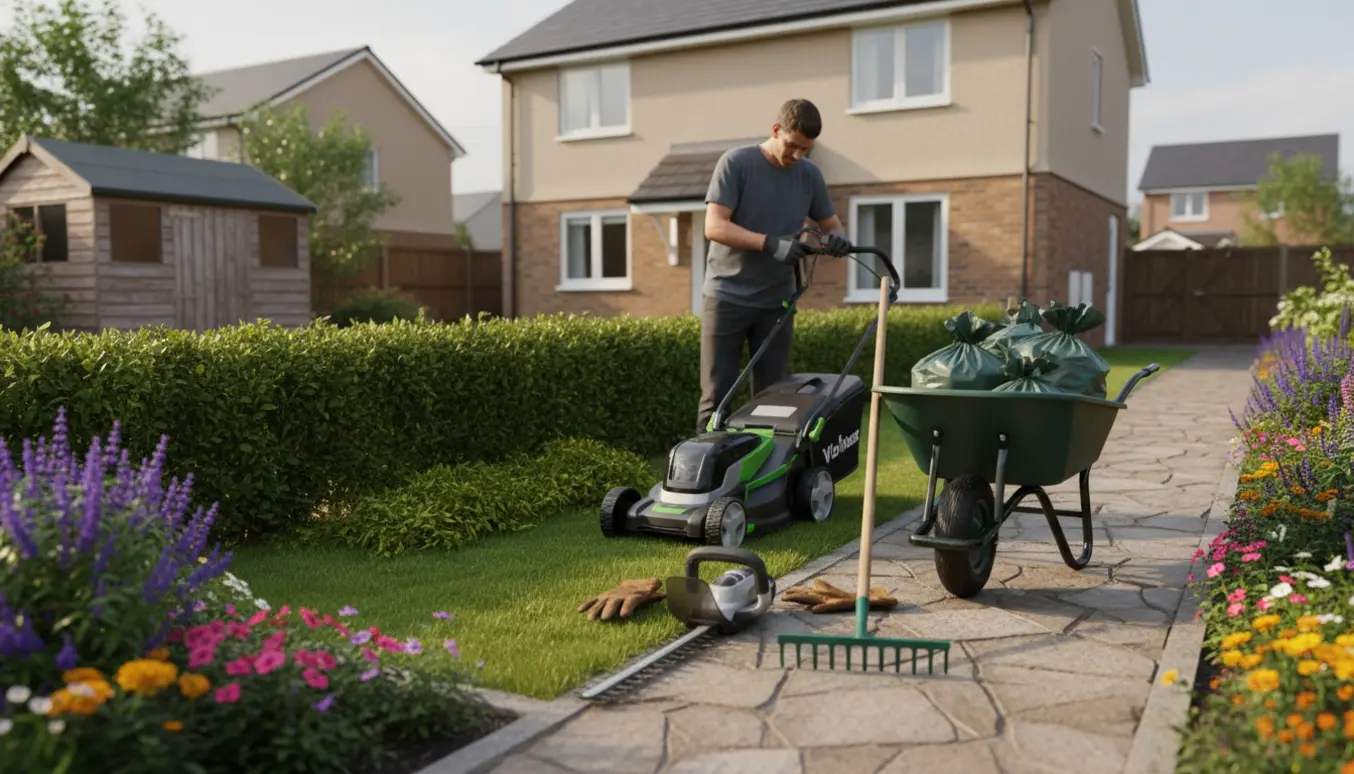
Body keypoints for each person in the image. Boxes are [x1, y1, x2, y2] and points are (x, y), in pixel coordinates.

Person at [696, 98, 850, 434]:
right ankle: (706, 480)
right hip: (727, 297)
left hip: (777, 302)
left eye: (805, 150)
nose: (797, 155)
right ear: (776, 130)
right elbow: (715, 226)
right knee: (716, 397)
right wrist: (770, 243)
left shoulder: (809, 175)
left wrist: (835, 240)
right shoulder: (736, 163)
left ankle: (761, 480)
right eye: (792, 146)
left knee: (772, 398)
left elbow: (831, 226)